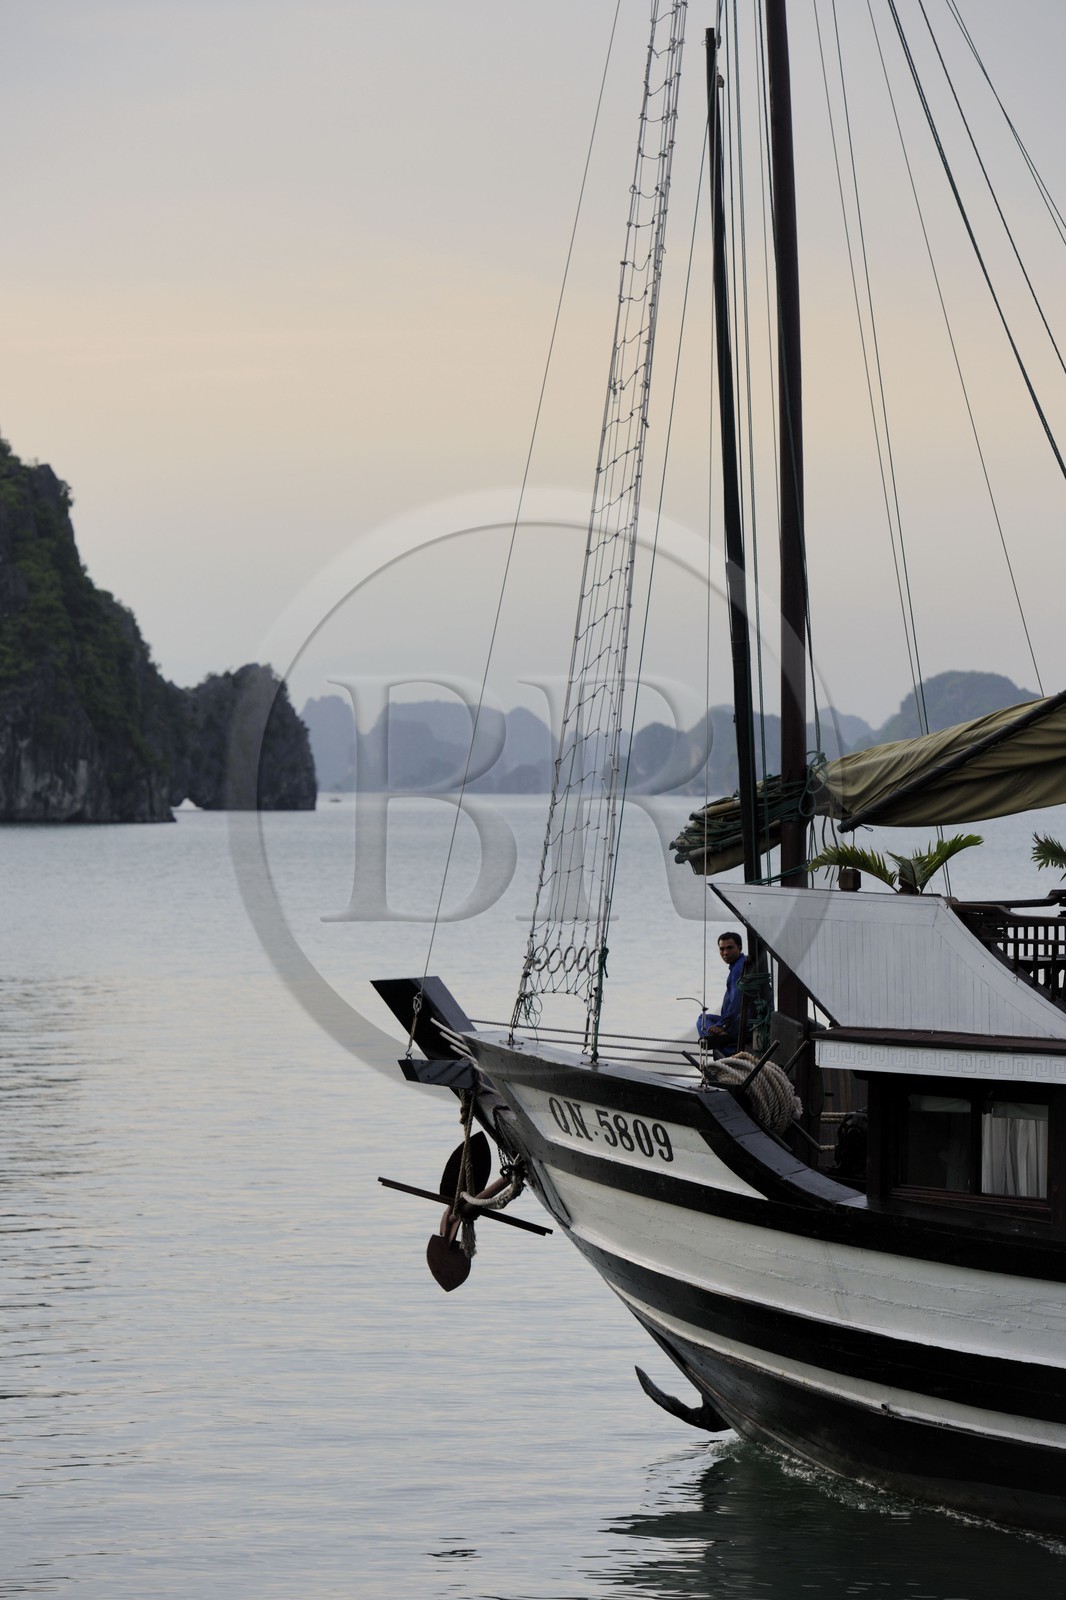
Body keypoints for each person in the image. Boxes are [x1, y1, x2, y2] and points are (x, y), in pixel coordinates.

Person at [697, 932, 747, 1054]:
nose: (725, 953)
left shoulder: (738, 969)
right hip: (735, 1020)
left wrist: (722, 1024)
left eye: (730, 948)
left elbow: (737, 1002)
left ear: (740, 948)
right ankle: (719, 1036)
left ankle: (721, 1039)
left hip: (740, 1022)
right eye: (722, 949)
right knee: (704, 1018)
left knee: (702, 1020)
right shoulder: (740, 964)